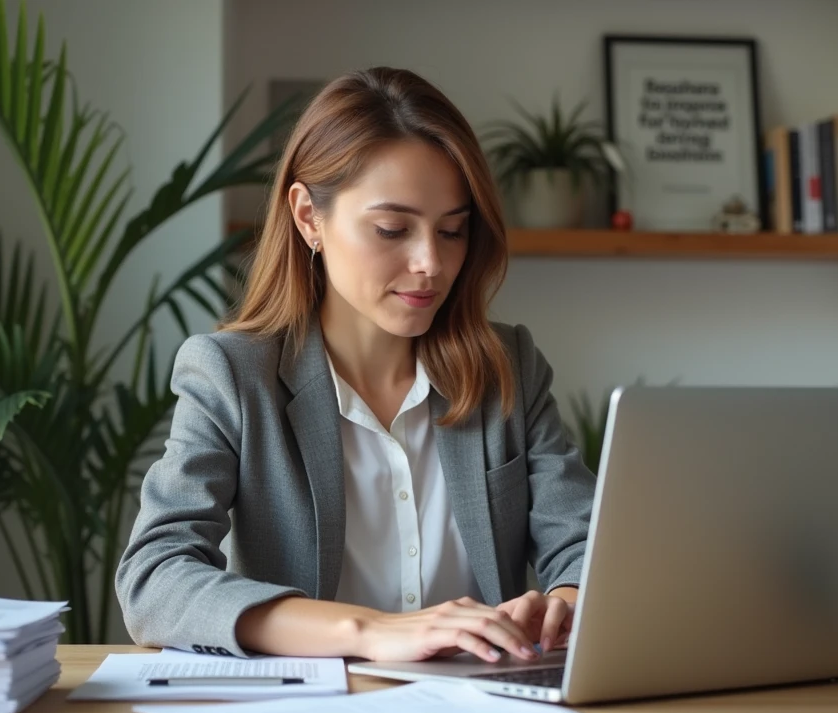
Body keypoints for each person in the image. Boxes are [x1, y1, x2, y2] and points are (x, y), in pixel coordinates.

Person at [115, 66, 595, 664]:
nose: (430, 263)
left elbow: (583, 543)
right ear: (308, 217)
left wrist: (565, 601)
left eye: (452, 231)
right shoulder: (232, 375)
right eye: (392, 229)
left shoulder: (508, 368)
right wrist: (370, 631)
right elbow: (154, 580)